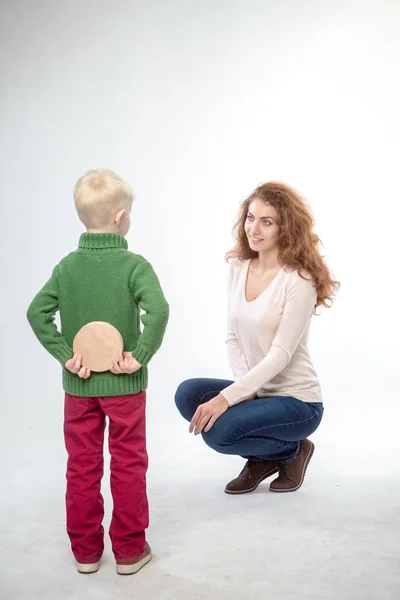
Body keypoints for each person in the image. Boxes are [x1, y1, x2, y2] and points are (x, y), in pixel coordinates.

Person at [27, 169, 169, 575]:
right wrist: (139, 355)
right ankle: (129, 551)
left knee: (82, 466)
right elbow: (158, 311)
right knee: (128, 463)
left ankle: (86, 554)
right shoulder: (133, 265)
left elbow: (37, 312)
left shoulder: (67, 267)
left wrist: (65, 355)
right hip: (124, 387)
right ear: (120, 217)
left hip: (79, 387)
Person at [175, 182, 338, 495]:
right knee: (187, 394)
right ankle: (264, 457)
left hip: (297, 402)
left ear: (285, 228)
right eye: (251, 218)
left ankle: (292, 451)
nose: (255, 228)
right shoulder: (238, 268)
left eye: (267, 221)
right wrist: (243, 389)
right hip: (257, 391)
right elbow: (232, 336)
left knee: (219, 432)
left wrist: (227, 398)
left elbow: (280, 355)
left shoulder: (298, 281)